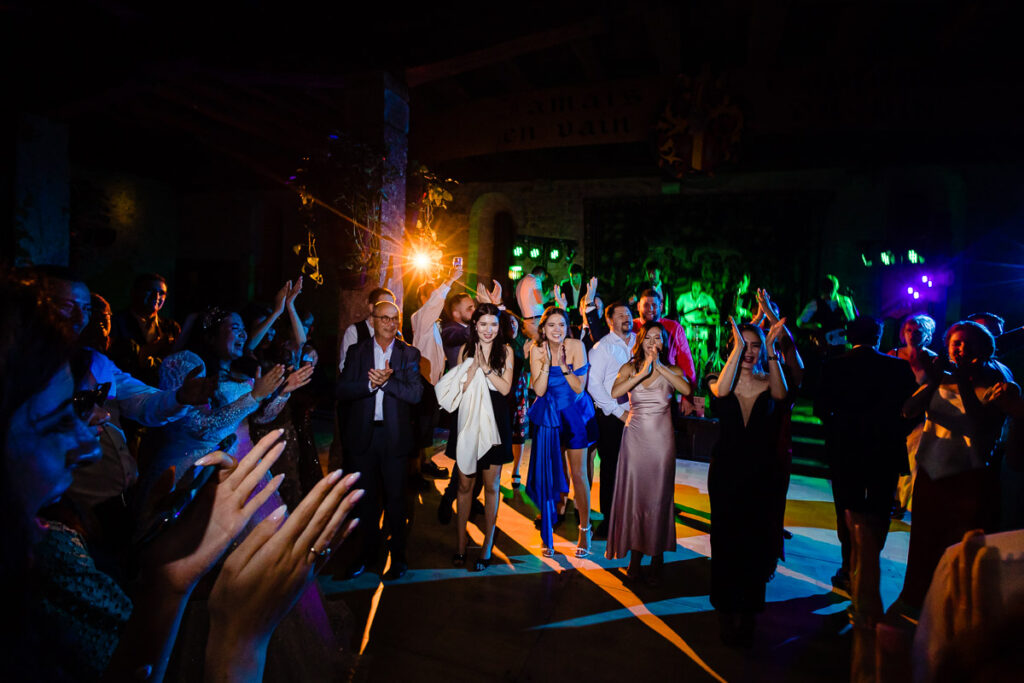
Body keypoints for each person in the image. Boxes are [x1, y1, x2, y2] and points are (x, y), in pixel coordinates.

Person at [0, 270, 362, 682]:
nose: (87, 439)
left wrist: (275, 392)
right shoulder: (183, 364)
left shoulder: (241, 368)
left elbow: (257, 412)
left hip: (222, 471)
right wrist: (237, 648)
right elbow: (199, 426)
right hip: (188, 471)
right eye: (56, 421)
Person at [895, 321, 1017, 610]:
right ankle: (915, 598)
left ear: (984, 346)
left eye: (966, 342)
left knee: (958, 547)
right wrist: (935, 380)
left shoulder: (997, 376)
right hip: (931, 470)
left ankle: (952, 606)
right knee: (924, 543)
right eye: (954, 342)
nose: (959, 348)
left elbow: (981, 424)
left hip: (967, 478)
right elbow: (907, 410)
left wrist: (961, 379)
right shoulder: (943, 375)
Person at [815, 316, 917, 593]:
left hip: (846, 447)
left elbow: (821, 409)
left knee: (848, 507)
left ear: (849, 336)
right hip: (884, 448)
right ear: (879, 337)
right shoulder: (897, 367)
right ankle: (869, 563)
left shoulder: (834, 366)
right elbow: (911, 409)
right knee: (879, 508)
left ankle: (849, 566)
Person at [708, 317, 791, 647]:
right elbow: (723, 391)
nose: (750, 351)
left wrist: (771, 349)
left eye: (755, 345)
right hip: (726, 471)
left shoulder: (770, 381)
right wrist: (739, 347)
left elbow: (782, 395)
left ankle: (750, 612)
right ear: (733, 347)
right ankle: (726, 610)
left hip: (761, 473)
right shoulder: (717, 377)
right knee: (726, 540)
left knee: (755, 541)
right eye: (744, 345)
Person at [337, 300, 423, 580]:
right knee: (366, 501)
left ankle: (398, 558)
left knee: (397, 500)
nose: (389, 323)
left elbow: (415, 394)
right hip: (363, 435)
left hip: (394, 436)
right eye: (383, 318)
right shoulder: (357, 351)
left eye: (394, 318)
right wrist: (368, 384)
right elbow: (342, 390)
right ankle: (366, 555)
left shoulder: (408, 354)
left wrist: (386, 382)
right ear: (372, 320)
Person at [606, 321, 691, 584]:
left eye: (658, 338)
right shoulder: (630, 368)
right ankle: (634, 557)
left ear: (665, 343)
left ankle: (656, 556)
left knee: (658, 496)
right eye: (648, 338)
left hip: (661, 441)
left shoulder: (672, 369)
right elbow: (615, 392)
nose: (653, 342)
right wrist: (642, 372)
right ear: (640, 341)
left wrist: (660, 367)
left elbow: (687, 390)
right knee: (635, 496)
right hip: (635, 438)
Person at [435, 304, 514, 571]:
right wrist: (471, 370)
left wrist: (486, 368)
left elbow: (505, 389)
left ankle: (487, 545)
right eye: (483, 324)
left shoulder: (506, 351)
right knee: (464, 486)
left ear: (499, 326)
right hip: (469, 420)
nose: (488, 330)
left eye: (493, 324)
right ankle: (460, 546)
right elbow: (458, 389)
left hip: (496, 421)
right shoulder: (465, 351)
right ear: (475, 326)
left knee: (492, 487)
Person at [527, 307, 597, 557]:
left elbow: (579, 388)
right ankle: (548, 533)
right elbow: (540, 391)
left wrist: (565, 366)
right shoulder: (536, 349)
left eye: (562, 325)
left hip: (575, 414)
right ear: (543, 328)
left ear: (568, 327)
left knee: (579, 475)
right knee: (551, 475)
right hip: (549, 415)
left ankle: (584, 529)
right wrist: (546, 364)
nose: (557, 330)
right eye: (552, 325)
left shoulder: (577, 346)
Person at [586, 301, 634, 539]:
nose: (627, 318)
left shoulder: (641, 342)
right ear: (609, 321)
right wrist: (618, 412)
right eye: (621, 315)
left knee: (636, 467)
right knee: (611, 467)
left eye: (629, 314)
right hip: (612, 417)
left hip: (639, 414)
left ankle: (633, 516)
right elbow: (593, 385)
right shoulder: (601, 348)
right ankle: (609, 519)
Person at [410, 268, 463, 483]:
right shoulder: (420, 318)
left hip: (432, 383)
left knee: (428, 427)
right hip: (422, 383)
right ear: (423, 298)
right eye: (431, 295)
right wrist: (449, 280)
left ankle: (423, 463)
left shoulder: (433, 324)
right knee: (421, 428)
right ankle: (415, 472)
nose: (436, 299)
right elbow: (434, 304)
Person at [888, 314, 939, 514]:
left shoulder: (933, 360)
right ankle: (890, 498)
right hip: (894, 414)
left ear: (926, 335)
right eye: (909, 330)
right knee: (891, 458)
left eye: (917, 332)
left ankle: (903, 503)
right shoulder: (893, 354)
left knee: (913, 461)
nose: (912, 335)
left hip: (920, 417)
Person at [109, 272, 181, 387]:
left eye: (161, 293)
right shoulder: (116, 322)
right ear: (135, 292)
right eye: (150, 290)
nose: (156, 297)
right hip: (126, 390)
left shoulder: (171, 327)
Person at [633, 288, 696, 383]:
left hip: (666, 384)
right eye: (646, 305)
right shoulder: (631, 326)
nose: (650, 309)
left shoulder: (674, 327)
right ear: (638, 306)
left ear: (661, 306)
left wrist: (688, 392)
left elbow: (686, 361)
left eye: (654, 305)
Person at [338, 287, 396, 373]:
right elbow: (345, 366)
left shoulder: (395, 334)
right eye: (385, 305)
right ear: (371, 307)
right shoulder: (354, 331)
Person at [515, 265, 548, 340]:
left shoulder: (520, 282)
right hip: (535, 321)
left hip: (526, 322)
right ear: (541, 274)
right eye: (543, 278)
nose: (542, 281)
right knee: (540, 347)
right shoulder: (535, 280)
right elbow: (541, 300)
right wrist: (551, 294)